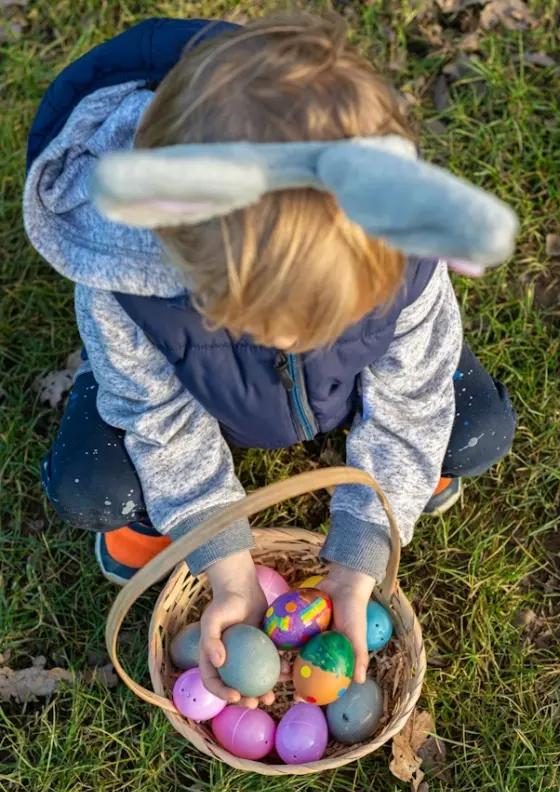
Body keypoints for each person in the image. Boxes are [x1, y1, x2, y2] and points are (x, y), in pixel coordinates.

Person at [24, 13, 517, 709]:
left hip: (344, 385)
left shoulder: (400, 246)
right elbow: (158, 416)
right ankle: (150, 517)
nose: (288, 343)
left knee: (472, 431)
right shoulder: (128, 276)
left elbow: (412, 396)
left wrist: (361, 548)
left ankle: (402, 473)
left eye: (322, 321)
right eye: (266, 324)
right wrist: (225, 562)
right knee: (91, 485)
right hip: (199, 391)